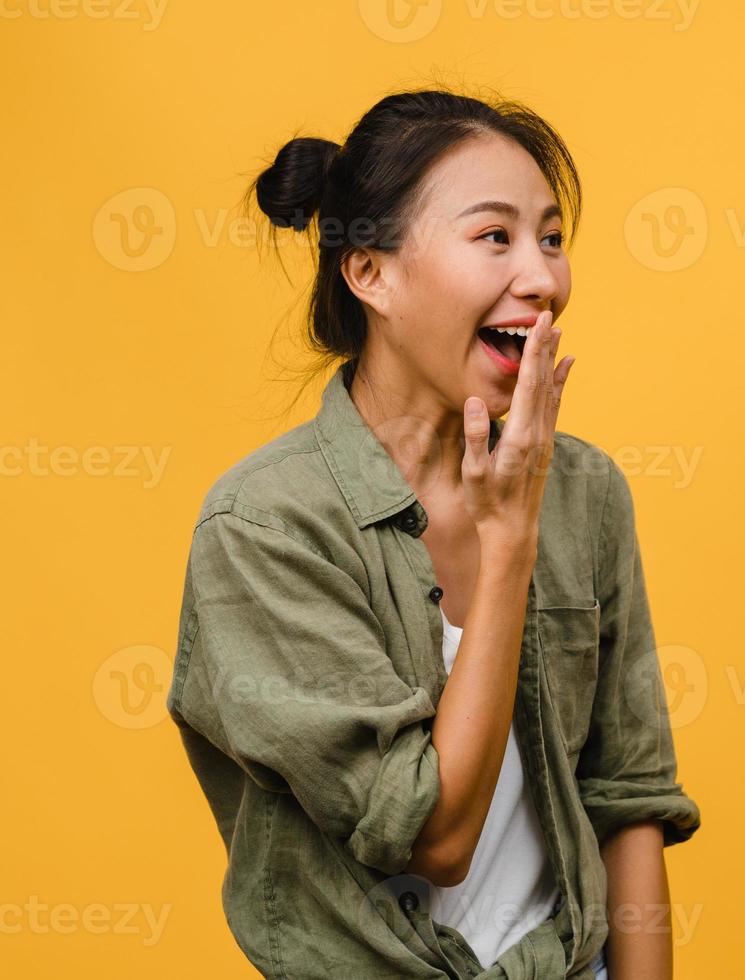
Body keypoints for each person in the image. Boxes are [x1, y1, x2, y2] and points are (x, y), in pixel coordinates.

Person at [166, 88, 701, 979]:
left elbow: (628, 795)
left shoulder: (587, 492)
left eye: (552, 236)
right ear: (369, 272)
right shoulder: (265, 528)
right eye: (495, 236)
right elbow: (433, 837)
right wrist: (509, 544)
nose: (542, 278)